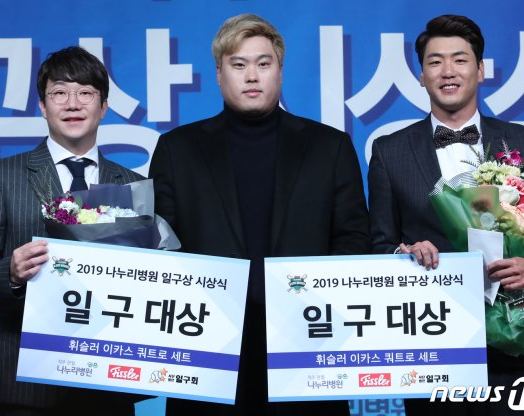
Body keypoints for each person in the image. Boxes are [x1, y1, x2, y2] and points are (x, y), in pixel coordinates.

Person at [149, 13, 370, 416]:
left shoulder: (330, 147)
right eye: (238, 64)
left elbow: (353, 240)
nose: (252, 75)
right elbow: (161, 246)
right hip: (206, 352)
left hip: (306, 348)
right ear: (219, 74)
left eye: (263, 63)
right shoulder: (177, 149)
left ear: (280, 70)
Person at [368, 14, 524, 416]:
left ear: (480, 70)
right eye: (435, 62)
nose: (447, 71)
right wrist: (403, 255)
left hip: (513, 336)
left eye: (460, 59)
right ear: (421, 76)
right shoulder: (389, 151)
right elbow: (378, 242)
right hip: (429, 339)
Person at [0, 46, 145, 415]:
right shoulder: (0, 176)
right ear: (43, 105)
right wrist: (10, 272)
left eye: (85, 92)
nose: (72, 103)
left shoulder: (134, 185)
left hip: (107, 376)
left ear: (103, 106)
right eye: (59, 92)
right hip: (27, 379)